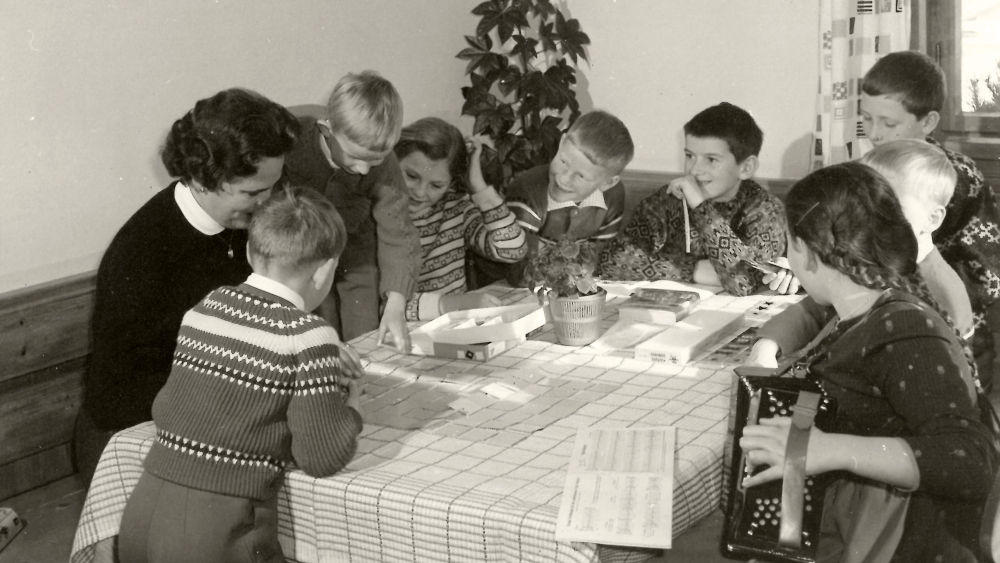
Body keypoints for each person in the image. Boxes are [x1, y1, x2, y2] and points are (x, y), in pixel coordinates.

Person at [740, 162, 997, 562]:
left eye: (787, 244)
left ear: (807, 254)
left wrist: (832, 450)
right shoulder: (861, 301)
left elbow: (971, 461)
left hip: (897, 546)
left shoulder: (905, 329)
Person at [118, 186, 364, 563]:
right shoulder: (308, 334)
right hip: (220, 529)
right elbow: (321, 457)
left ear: (250, 251)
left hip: (140, 515)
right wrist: (353, 407)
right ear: (326, 269)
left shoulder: (205, 307)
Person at [75, 88, 302, 484]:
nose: (267, 203)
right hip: (130, 437)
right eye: (253, 193)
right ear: (201, 177)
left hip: (210, 411)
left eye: (273, 187)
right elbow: (115, 396)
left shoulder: (239, 222)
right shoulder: (142, 251)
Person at [765, 50, 1000, 388]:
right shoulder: (876, 171)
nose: (874, 134)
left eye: (889, 123)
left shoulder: (947, 182)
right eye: (867, 120)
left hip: (952, 343)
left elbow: (982, 283)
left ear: (928, 122)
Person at [749, 140, 974, 367]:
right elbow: (814, 311)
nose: (867, 213)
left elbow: (947, 377)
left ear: (932, 219)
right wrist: (768, 344)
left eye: (888, 205)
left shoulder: (944, 291)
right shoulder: (865, 255)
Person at [283, 70, 421, 351]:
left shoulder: (384, 163)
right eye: (356, 157)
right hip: (301, 255)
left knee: (367, 334)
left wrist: (395, 304)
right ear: (326, 131)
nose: (365, 170)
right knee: (319, 333)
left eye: (377, 158)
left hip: (356, 253)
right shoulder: (292, 144)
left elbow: (398, 233)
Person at [599, 102, 785, 296]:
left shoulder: (766, 210)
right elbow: (611, 261)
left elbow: (744, 281)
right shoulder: (670, 199)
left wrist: (701, 207)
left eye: (711, 160)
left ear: (746, 167)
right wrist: (693, 270)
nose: (694, 170)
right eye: (689, 156)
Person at [480, 110, 634, 288]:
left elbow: (599, 259)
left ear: (608, 183)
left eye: (581, 176)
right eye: (563, 162)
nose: (563, 179)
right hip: (504, 286)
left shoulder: (612, 197)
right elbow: (521, 274)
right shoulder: (528, 192)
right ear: (561, 144)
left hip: (562, 284)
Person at [394, 117, 528, 320]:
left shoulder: (456, 209)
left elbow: (513, 250)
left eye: (436, 185)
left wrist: (478, 186)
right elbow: (385, 306)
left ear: (451, 184)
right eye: (411, 176)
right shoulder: (381, 216)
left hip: (456, 331)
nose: (420, 192)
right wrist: (451, 304)